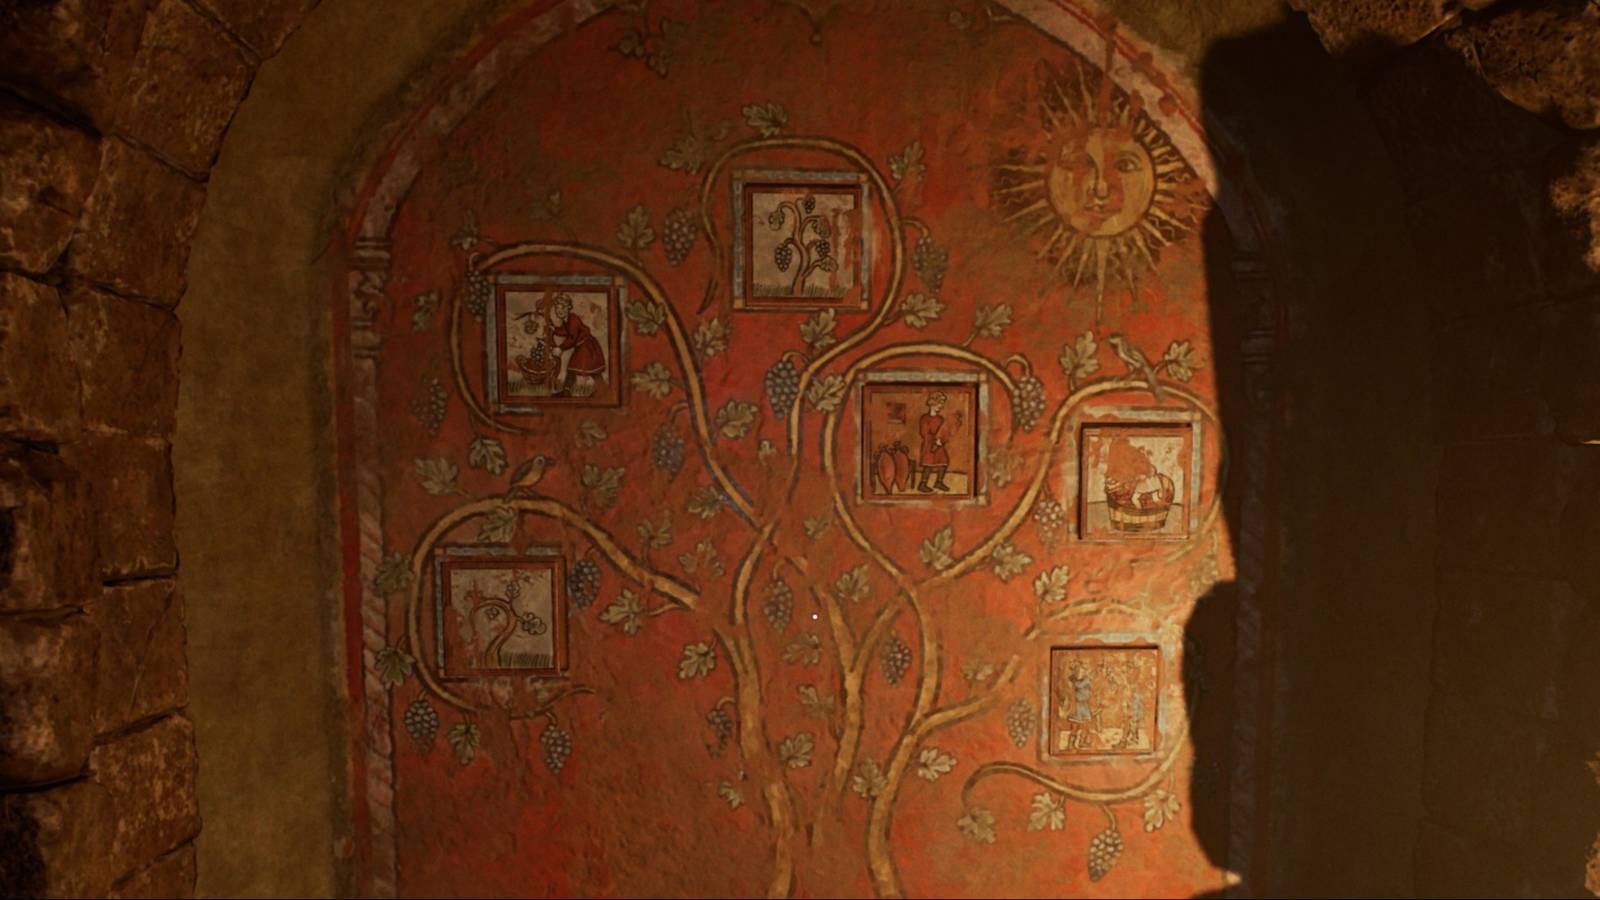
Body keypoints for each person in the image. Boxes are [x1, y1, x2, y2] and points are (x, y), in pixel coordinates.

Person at [547, 293, 606, 397]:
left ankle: (602, 390)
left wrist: (561, 348)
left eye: (562, 307)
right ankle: (567, 391)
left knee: (589, 369)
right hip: (582, 346)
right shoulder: (567, 320)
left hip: (587, 345)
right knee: (574, 369)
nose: (559, 310)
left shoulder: (573, 319)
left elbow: (572, 337)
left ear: (568, 307)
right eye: (557, 308)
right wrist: (555, 329)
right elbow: (565, 331)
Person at [916, 391, 951, 493]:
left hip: (939, 445)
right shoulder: (924, 418)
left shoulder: (940, 418)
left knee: (944, 462)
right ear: (933, 402)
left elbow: (944, 431)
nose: (941, 406)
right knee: (928, 464)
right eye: (940, 403)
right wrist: (935, 440)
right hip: (928, 444)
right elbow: (924, 433)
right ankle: (922, 484)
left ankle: (938, 482)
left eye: (942, 404)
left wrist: (942, 440)